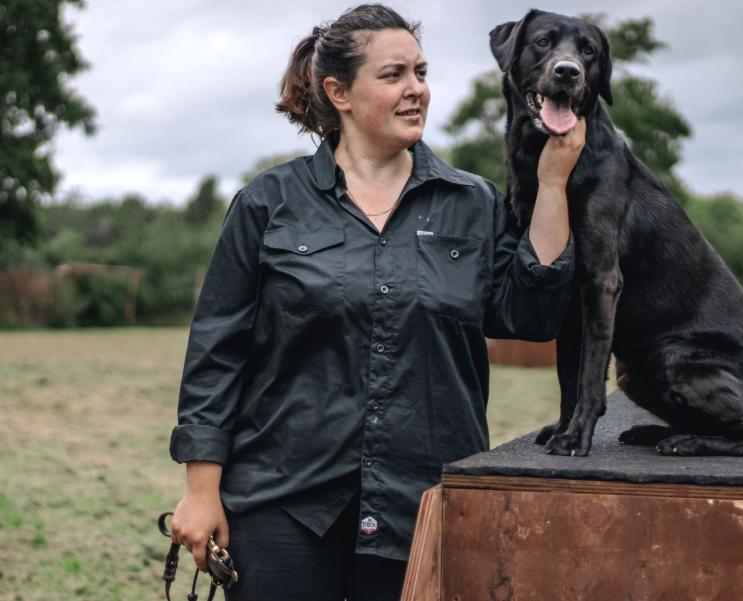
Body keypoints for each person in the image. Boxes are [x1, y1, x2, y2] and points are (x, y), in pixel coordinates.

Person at [168, 5, 585, 600]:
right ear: (338, 91)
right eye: (393, 76)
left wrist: (551, 185)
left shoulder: (475, 204)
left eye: (420, 72)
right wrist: (201, 491)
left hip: (424, 503)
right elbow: (216, 352)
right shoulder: (270, 203)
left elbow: (533, 316)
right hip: (283, 506)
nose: (416, 89)